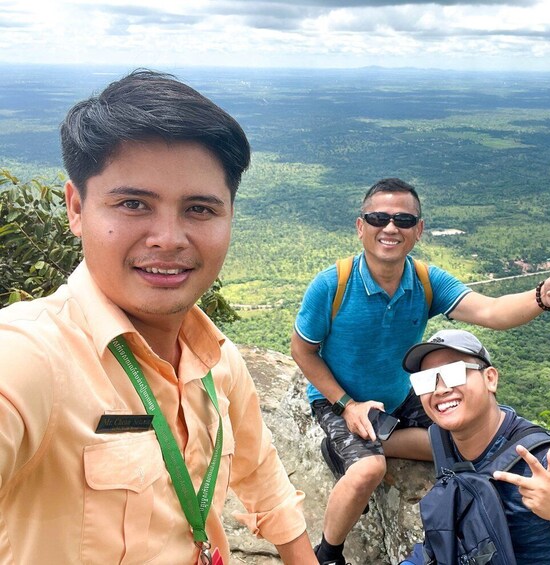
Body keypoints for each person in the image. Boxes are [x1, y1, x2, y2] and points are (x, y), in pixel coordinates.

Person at [0, 70, 317, 564]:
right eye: (132, 204)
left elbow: (263, 475)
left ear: (230, 215)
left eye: (199, 209)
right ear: (77, 208)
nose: (168, 238)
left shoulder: (219, 362)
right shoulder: (33, 357)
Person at [291, 177, 550, 565]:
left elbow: (490, 312)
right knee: (367, 470)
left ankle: (370, 441)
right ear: (361, 227)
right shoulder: (332, 285)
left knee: (464, 440)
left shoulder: (426, 281)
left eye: (404, 220)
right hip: (338, 397)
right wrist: (347, 405)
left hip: (398, 394)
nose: (390, 227)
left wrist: (540, 297)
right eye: (378, 217)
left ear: (419, 230)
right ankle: (327, 553)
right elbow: (302, 351)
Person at [402, 329, 550, 564]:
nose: (440, 389)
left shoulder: (543, 458)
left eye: (454, 372)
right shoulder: (443, 442)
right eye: (426, 379)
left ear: (490, 379)